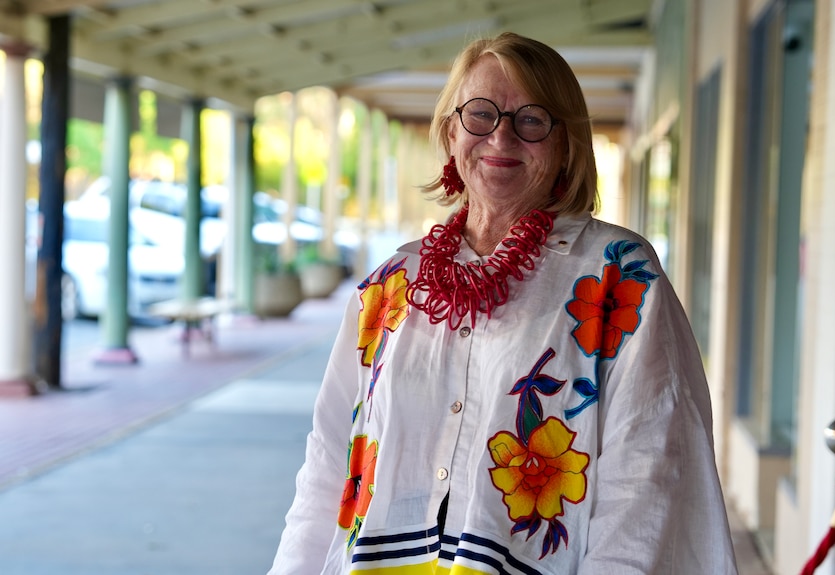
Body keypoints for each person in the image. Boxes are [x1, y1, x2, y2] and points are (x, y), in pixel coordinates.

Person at [269, 32, 739, 574]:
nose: (501, 137)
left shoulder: (619, 276)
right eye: (481, 115)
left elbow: (648, 477)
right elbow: (330, 462)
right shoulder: (393, 283)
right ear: (451, 132)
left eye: (532, 120)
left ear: (565, 143)